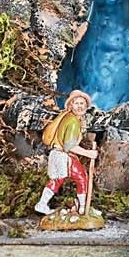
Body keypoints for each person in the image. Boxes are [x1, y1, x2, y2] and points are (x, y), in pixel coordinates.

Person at [35, 90, 101, 218]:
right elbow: (69, 146)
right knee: (81, 177)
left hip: (57, 154)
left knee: (57, 180)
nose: (80, 106)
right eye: (76, 103)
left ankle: (42, 204)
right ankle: (82, 207)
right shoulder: (73, 121)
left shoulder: (69, 118)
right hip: (63, 156)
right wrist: (88, 153)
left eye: (82, 103)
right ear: (71, 105)